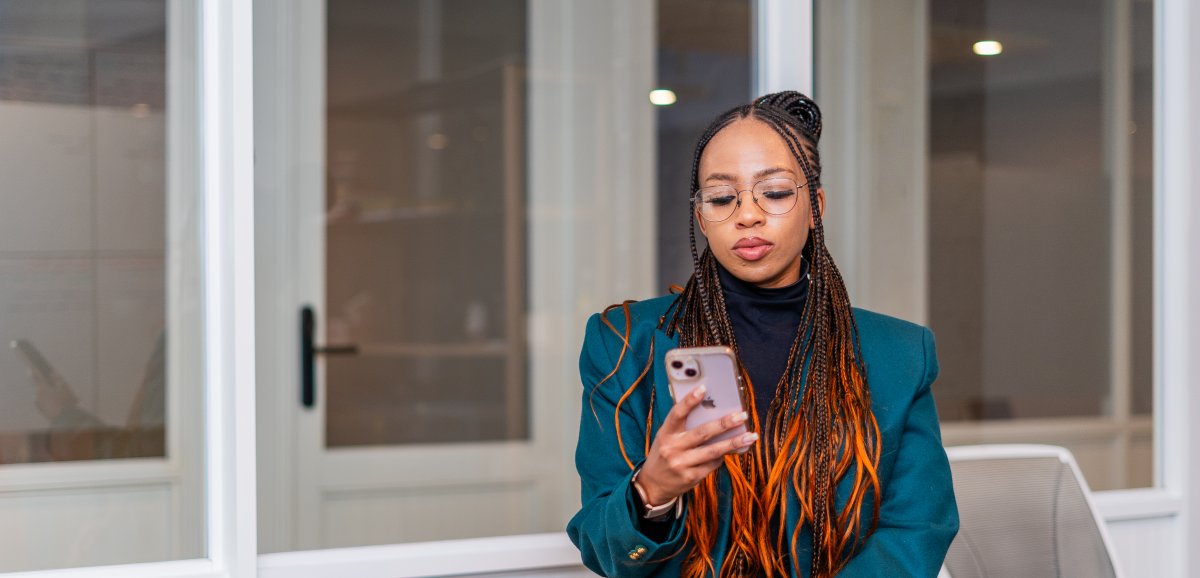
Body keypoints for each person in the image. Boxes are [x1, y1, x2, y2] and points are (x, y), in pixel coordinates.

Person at [567, 92, 958, 577]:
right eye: (721, 197)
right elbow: (603, 549)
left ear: (815, 207)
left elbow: (917, 529)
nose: (747, 215)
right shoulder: (624, 342)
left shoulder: (899, 354)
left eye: (773, 192)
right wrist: (651, 492)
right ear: (701, 216)